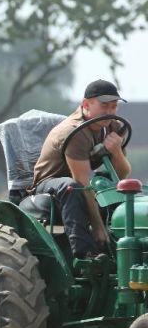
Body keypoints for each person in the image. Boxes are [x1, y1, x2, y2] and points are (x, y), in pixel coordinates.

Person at [30, 79, 131, 258]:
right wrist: (98, 227)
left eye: (114, 106)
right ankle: (84, 255)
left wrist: (116, 150)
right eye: (104, 106)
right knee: (72, 187)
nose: (110, 112)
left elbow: (121, 174)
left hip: (77, 183)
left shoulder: (112, 126)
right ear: (86, 104)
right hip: (50, 184)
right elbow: (82, 183)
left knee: (112, 186)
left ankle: (124, 247)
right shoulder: (75, 132)